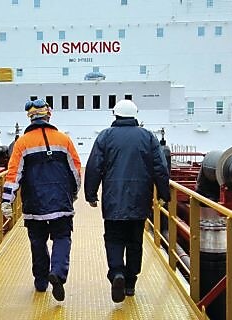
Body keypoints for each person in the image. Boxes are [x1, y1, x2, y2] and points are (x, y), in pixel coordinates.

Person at [83, 99, 170, 303]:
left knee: (113, 238)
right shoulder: (148, 136)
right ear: (135, 114)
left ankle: (117, 274)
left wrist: (91, 194)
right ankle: (130, 283)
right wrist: (164, 195)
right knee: (135, 242)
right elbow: (160, 167)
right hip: (140, 200)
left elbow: (94, 166)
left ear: (115, 114)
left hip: (113, 200)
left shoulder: (105, 136)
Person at [1, 99, 83, 301]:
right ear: (49, 115)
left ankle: (40, 282)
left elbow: (14, 174)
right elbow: (76, 169)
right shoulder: (63, 140)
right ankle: (58, 272)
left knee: (37, 242)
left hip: (33, 203)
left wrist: (7, 200)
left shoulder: (22, 143)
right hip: (61, 202)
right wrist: (74, 192)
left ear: (30, 117)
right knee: (62, 238)